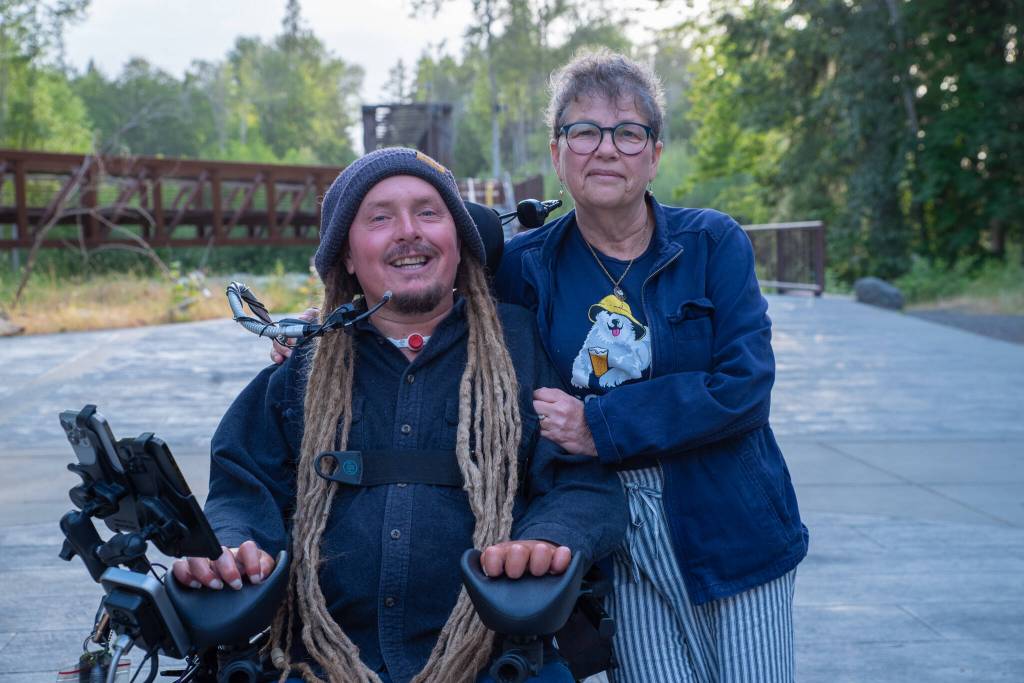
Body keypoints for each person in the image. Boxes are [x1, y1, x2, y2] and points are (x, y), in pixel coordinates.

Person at [173, 147, 625, 683]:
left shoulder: (521, 348)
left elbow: (582, 482)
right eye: (380, 218)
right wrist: (231, 547)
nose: (409, 232)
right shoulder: (303, 370)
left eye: (429, 213)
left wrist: (548, 537)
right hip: (319, 662)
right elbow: (241, 487)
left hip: (497, 660)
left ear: (459, 241)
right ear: (345, 255)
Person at [493, 50, 809, 683]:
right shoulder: (525, 265)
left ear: (655, 154)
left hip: (732, 521)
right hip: (616, 539)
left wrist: (600, 425)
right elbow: (436, 306)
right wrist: (328, 321)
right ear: (557, 153)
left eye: (628, 133)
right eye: (584, 131)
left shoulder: (711, 243)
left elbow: (745, 388)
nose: (606, 150)